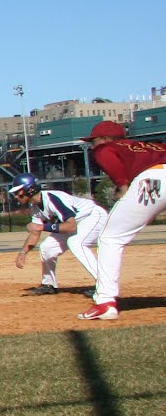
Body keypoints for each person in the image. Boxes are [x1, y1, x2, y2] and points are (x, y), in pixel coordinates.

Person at [77, 121, 166, 320]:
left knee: (110, 238)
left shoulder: (106, 147)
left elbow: (111, 163)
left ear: (107, 139)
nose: (93, 145)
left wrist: (122, 186)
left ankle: (105, 302)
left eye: (94, 141)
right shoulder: (153, 146)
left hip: (152, 180)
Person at [9, 173, 108, 293]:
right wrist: (23, 252)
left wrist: (42, 226)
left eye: (17, 193)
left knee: (76, 243)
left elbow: (71, 226)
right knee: (47, 248)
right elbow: (35, 232)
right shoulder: (34, 206)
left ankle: (104, 285)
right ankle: (48, 285)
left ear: (30, 190)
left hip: (92, 216)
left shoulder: (52, 199)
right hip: (75, 222)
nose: (16, 196)